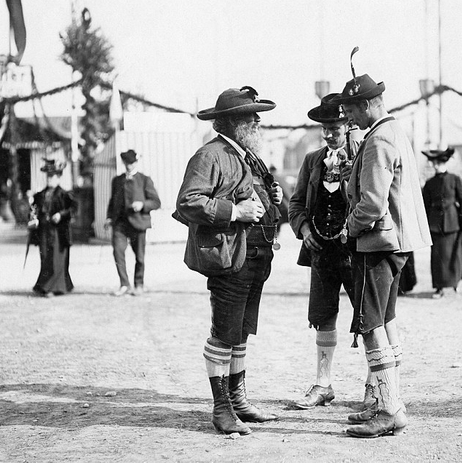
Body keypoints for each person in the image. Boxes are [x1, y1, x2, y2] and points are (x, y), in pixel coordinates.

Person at [175, 86, 283, 435]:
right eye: (251, 118)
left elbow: (252, 193)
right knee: (223, 333)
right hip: (229, 256)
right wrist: (235, 211)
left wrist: (273, 195)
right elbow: (188, 202)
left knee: (240, 331)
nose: (257, 122)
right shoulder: (210, 155)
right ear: (233, 122)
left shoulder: (247, 156)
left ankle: (238, 401)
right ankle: (222, 409)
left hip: (255, 255)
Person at [331, 71, 432, 438]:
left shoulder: (377, 140)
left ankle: (389, 409)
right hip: (398, 244)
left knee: (370, 324)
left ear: (367, 104)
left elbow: (372, 203)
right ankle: (387, 402)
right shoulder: (394, 131)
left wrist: (349, 228)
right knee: (386, 321)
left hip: (378, 244)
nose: (348, 119)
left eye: (351, 111)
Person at [288, 93, 357, 410]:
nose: (329, 134)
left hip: (355, 252)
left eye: (335, 128)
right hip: (321, 253)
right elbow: (296, 204)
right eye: (325, 129)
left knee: (367, 317)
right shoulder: (312, 160)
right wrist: (304, 231)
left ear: (348, 126)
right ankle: (323, 384)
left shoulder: (361, 155)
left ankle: (373, 387)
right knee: (323, 316)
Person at [105, 150, 161, 297]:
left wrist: (142, 205)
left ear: (136, 162)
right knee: (118, 252)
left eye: (132, 163)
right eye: (127, 163)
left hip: (138, 223)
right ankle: (124, 284)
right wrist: (109, 217)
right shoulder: (117, 180)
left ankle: (139, 284)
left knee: (140, 256)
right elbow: (112, 201)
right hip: (120, 224)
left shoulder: (144, 180)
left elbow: (156, 202)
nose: (129, 166)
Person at [421, 148, 462, 299]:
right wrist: (424, 225)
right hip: (435, 224)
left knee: (454, 255)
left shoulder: (454, 179)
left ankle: (455, 282)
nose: (436, 165)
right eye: (435, 163)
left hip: (452, 222)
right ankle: (439, 287)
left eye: (438, 163)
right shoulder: (429, 183)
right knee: (438, 257)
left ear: (443, 163)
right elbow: (425, 205)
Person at [28, 160, 77, 297]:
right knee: (45, 257)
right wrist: (33, 217)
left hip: (58, 231)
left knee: (57, 258)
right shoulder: (40, 195)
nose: (50, 179)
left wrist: (61, 215)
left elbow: (73, 209)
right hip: (44, 230)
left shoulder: (65, 194)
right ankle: (45, 285)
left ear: (59, 177)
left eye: (53, 176)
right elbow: (33, 210)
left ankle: (53, 287)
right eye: (48, 176)